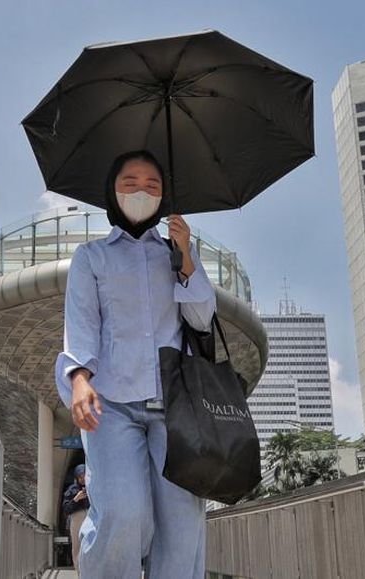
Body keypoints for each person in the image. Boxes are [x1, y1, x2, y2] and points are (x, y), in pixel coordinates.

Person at [54, 149, 216, 578]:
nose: (141, 191)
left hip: (174, 405)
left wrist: (185, 256)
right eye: (130, 183)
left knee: (183, 525)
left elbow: (201, 318)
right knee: (123, 516)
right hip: (112, 405)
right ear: (112, 191)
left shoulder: (176, 253)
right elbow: (82, 323)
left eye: (153, 185)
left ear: (164, 198)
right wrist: (79, 379)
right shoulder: (92, 257)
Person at [61, 464, 90, 568]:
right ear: (77, 478)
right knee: (77, 547)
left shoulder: (94, 487)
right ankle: (79, 570)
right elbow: (66, 509)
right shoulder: (71, 490)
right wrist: (76, 499)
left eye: (84, 476)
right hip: (77, 519)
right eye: (80, 477)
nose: (83, 479)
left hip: (92, 518)